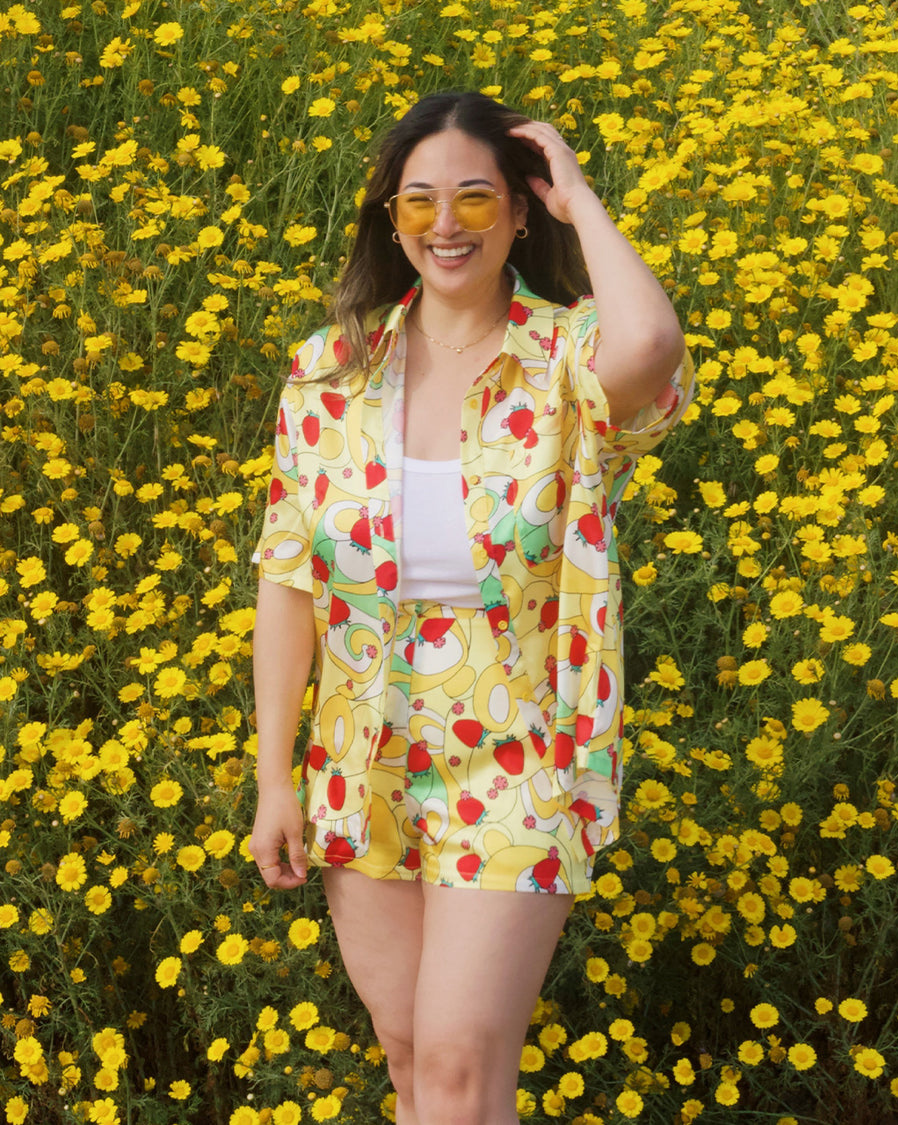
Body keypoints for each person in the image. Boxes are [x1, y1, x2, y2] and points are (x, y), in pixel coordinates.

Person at [249, 91, 693, 1125]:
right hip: (368, 758)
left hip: (522, 757)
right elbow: (289, 578)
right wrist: (276, 778)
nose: (445, 225)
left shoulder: (568, 358)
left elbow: (653, 347)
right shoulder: (331, 370)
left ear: (520, 212)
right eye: (418, 202)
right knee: (414, 1063)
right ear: (390, 219)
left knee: (453, 1064)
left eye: (475, 198)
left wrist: (582, 197)